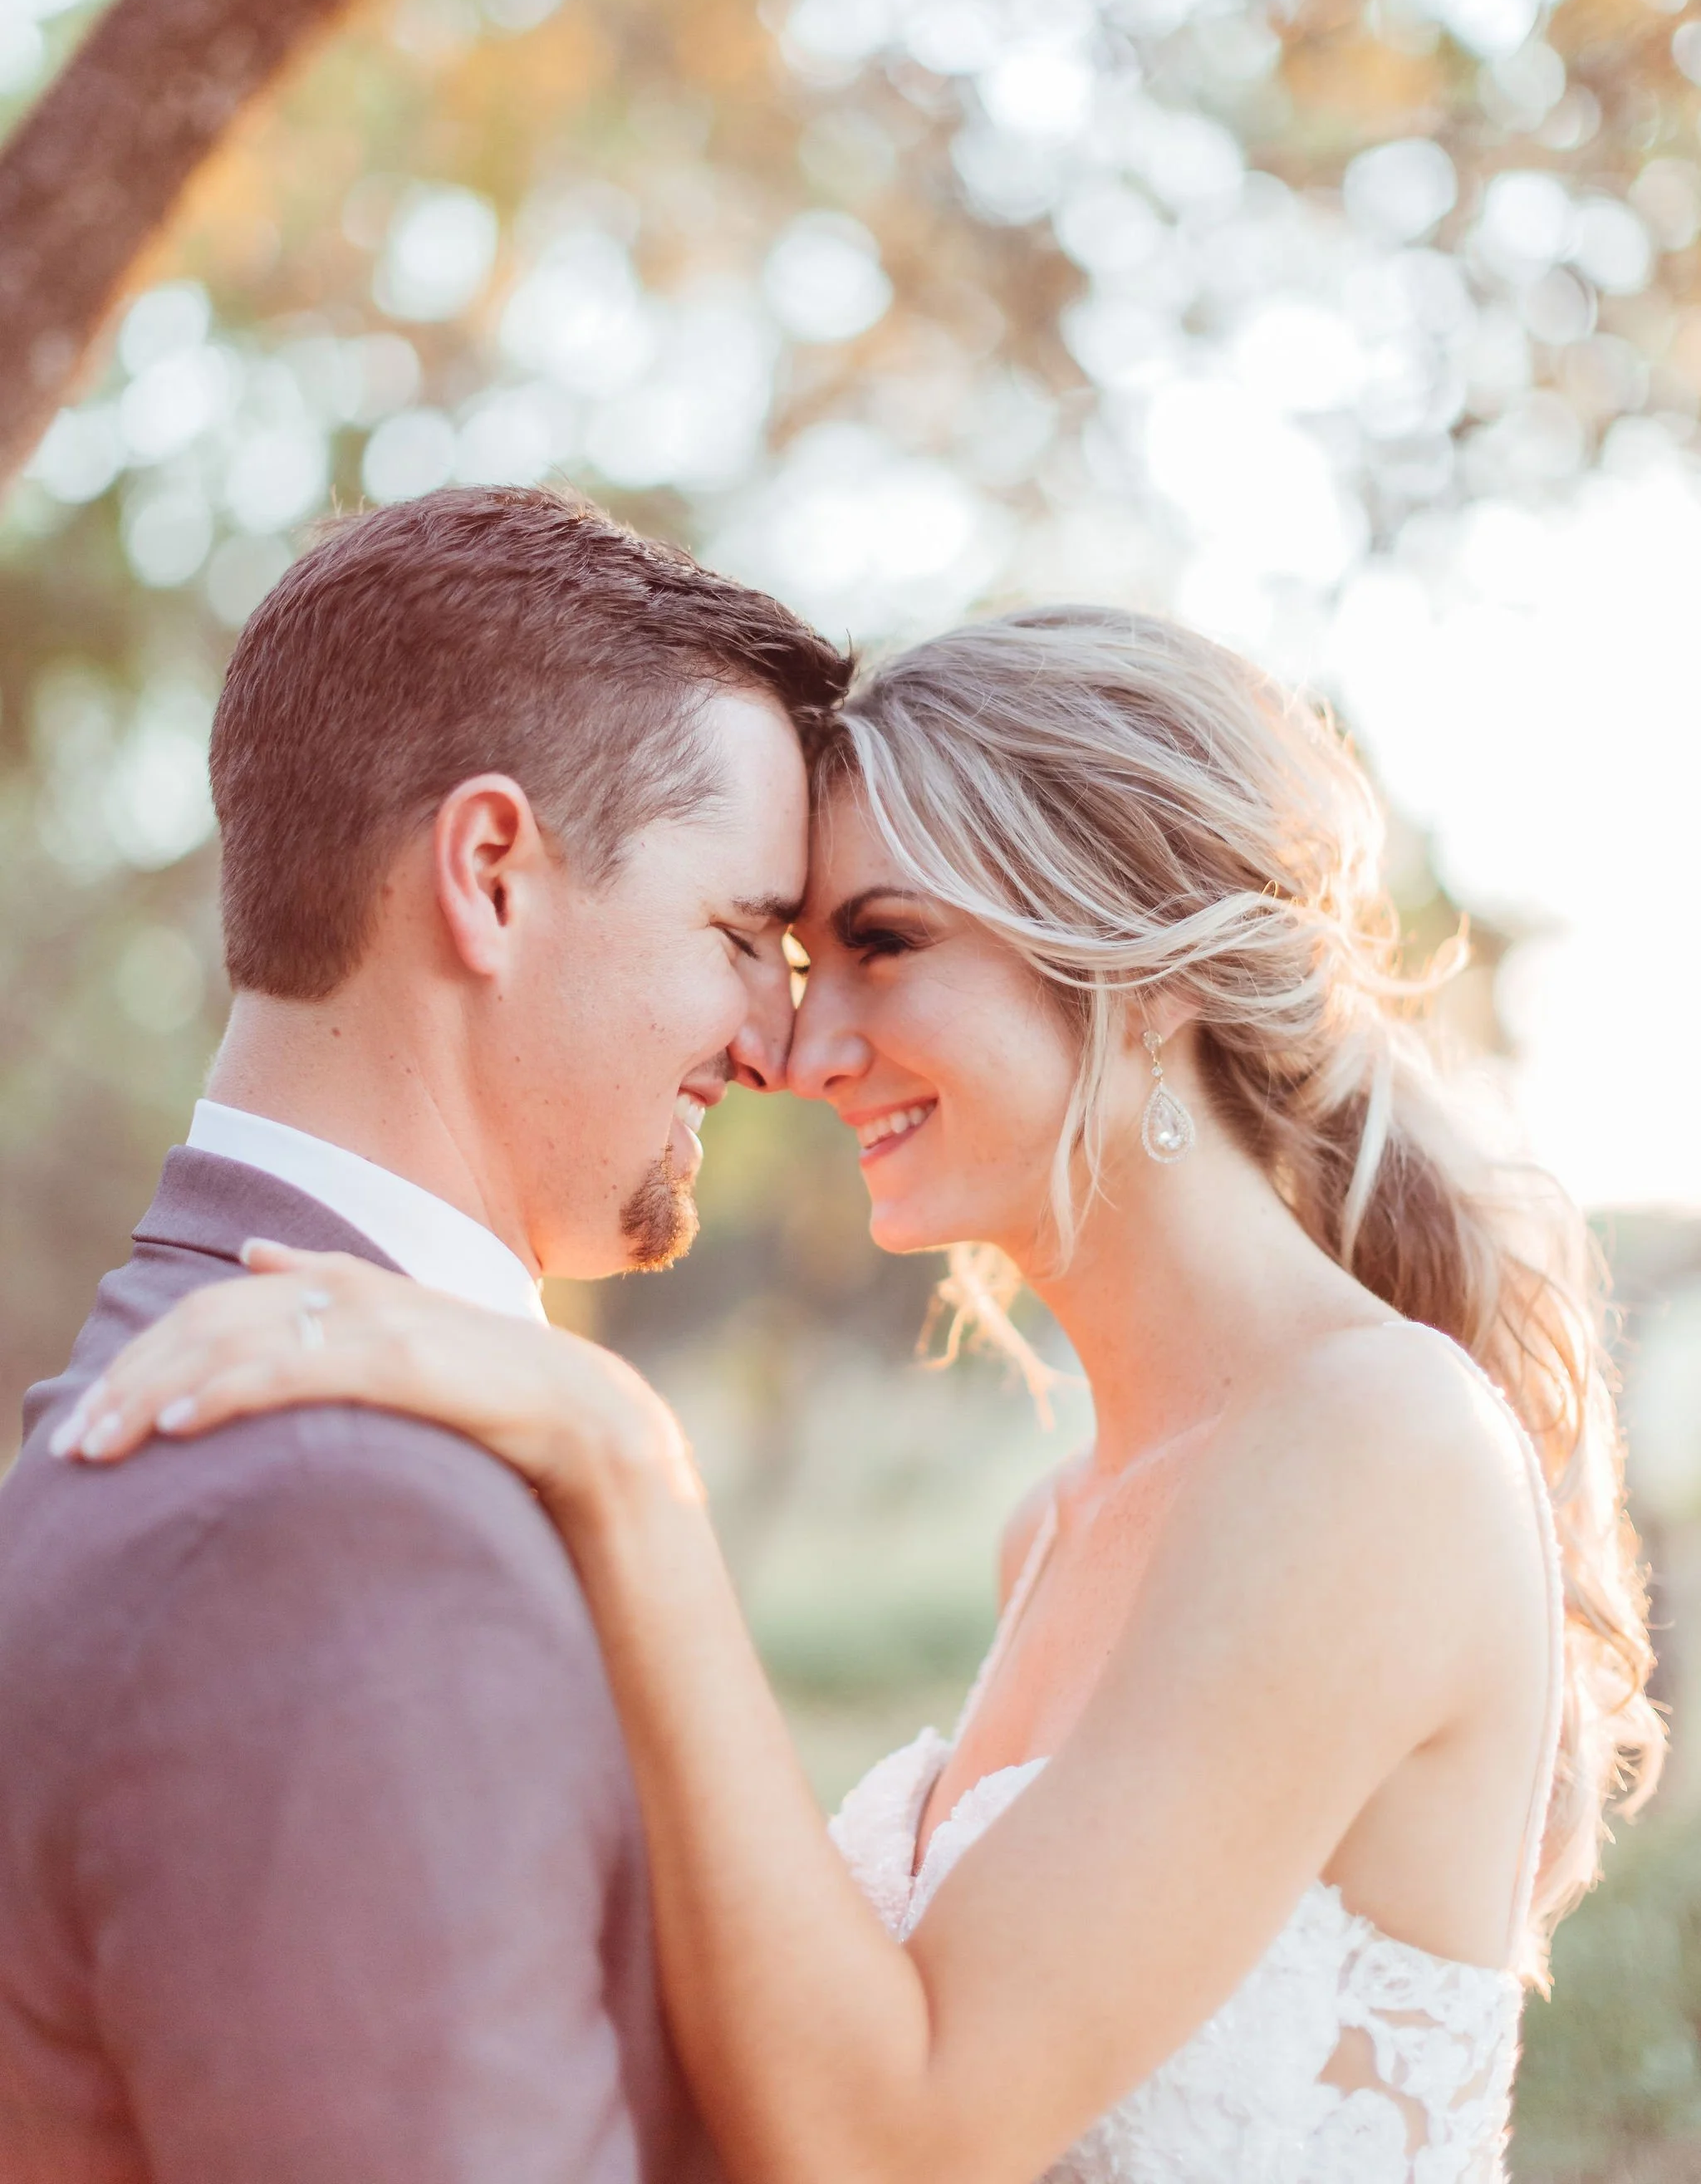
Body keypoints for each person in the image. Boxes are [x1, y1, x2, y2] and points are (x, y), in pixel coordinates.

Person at [61, 607, 1661, 2184]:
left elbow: (908, 2140)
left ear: (1150, 970)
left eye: (884, 946)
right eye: (793, 957)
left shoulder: (1380, 1447)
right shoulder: (1054, 1527)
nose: (803, 1043)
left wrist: (622, 1455)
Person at [0, 483, 850, 2183]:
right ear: (488, 876)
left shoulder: (201, 1391)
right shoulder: (328, 1526)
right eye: (744, 936)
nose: (781, 1043)